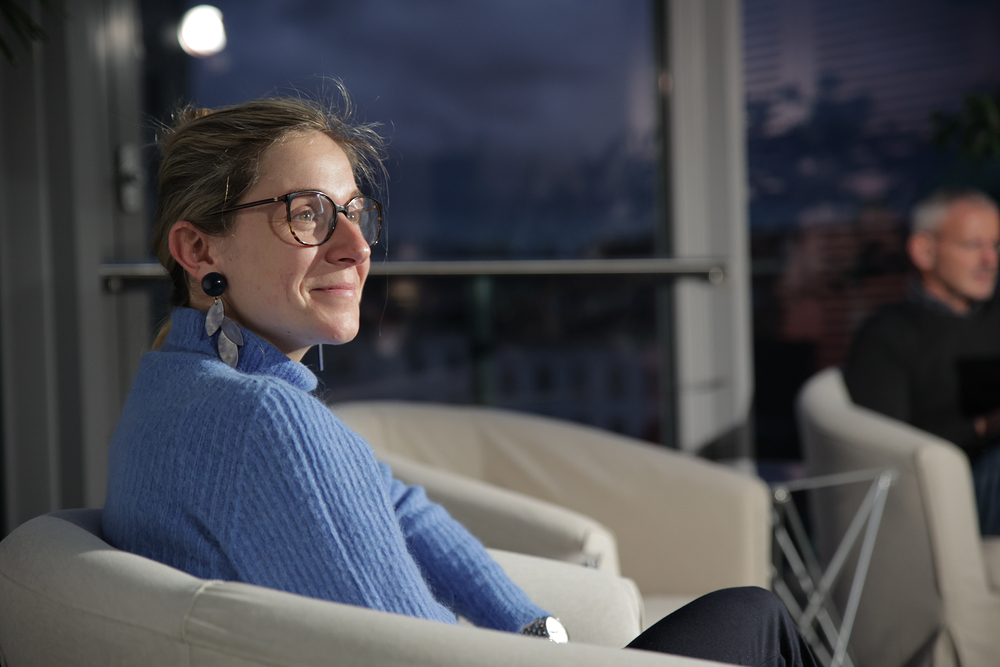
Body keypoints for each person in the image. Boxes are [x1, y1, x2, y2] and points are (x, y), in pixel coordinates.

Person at [101, 90, 816, 666]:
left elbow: (401, 504)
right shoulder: (265, 420)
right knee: (754, 616)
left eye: (355, 214)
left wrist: (533, 628)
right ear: (199, 249)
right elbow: (412, 647)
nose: (355, 247)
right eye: (307, 214)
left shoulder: (171, 386)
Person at [844, 188, 1000, 534]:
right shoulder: (887, 333)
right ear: (924, 251)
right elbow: (882, 451)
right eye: (973, 246)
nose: (990, 260)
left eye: (995, 245)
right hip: (943, 496)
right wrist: (982, 427)